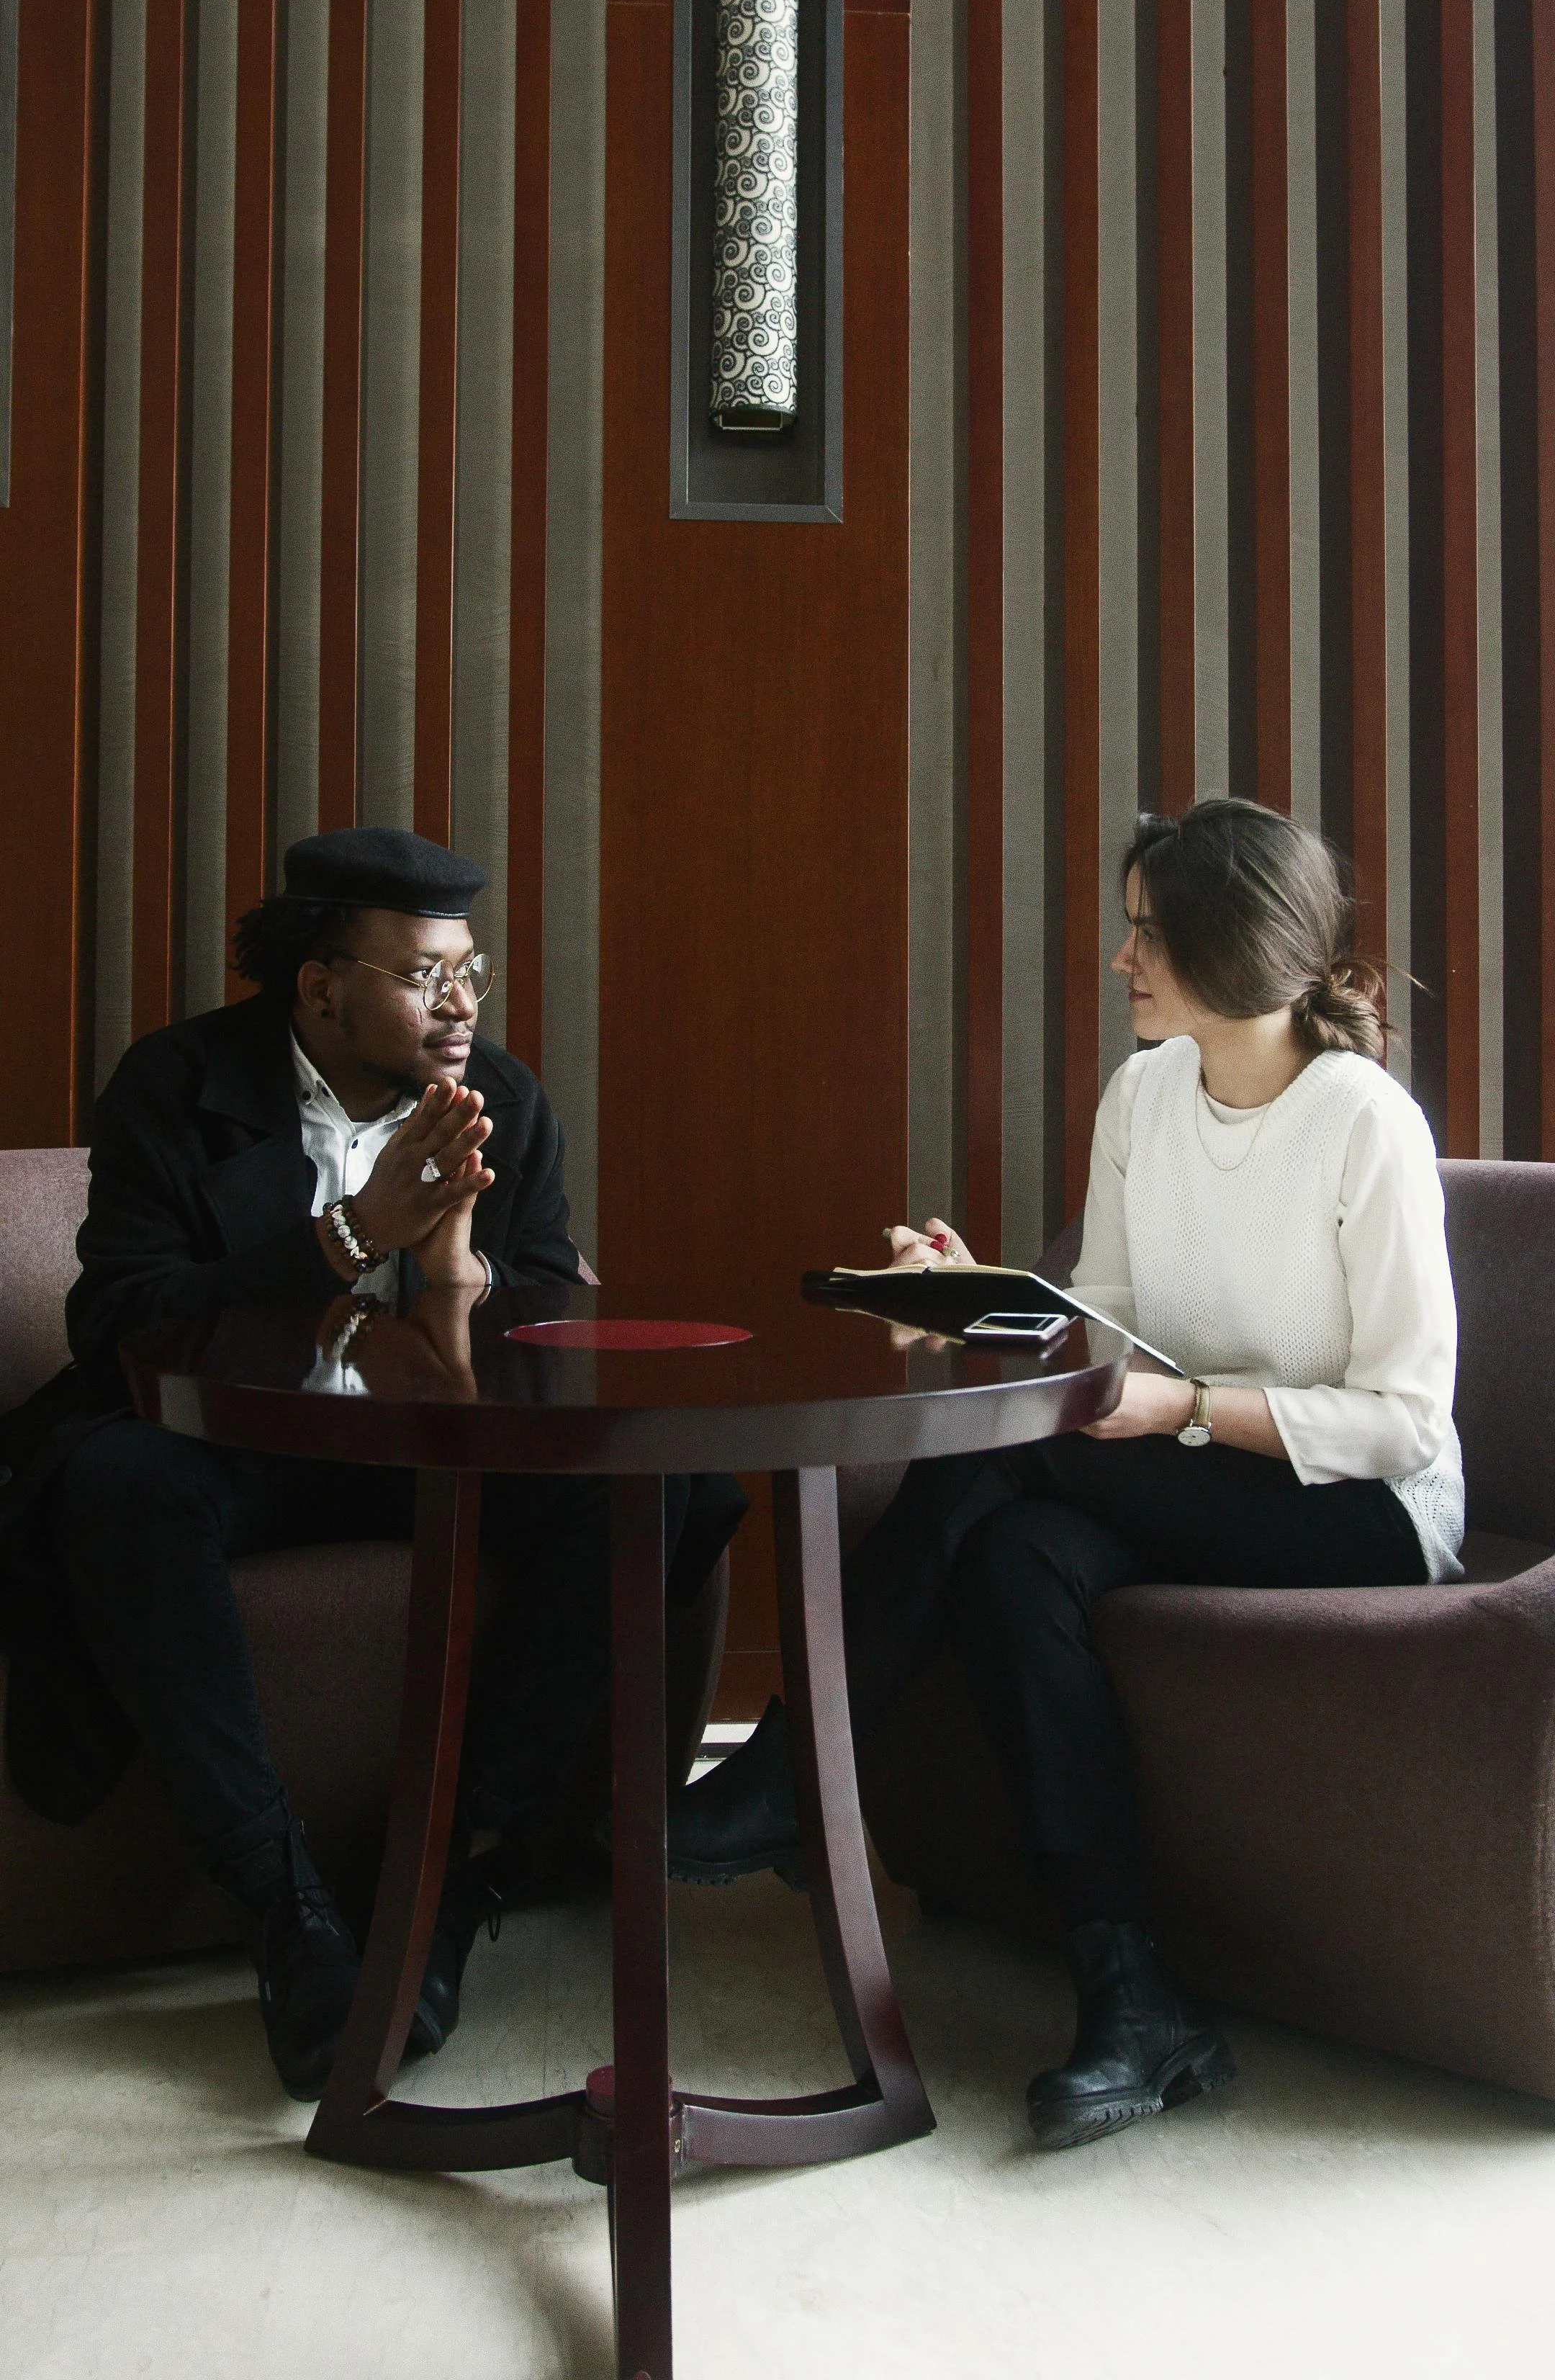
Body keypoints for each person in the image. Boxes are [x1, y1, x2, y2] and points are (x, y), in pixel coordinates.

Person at [667, 798, 1464, 2152]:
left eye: (1147, 934)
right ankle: (1133, 1992)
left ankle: (802, 1767)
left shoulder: (1362, 1125)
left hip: (1360, 1511)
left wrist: (1183, 1407)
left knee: (1003, 1477)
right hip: (1172, 1468)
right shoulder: (1143, 1094)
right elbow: (1100, 1324)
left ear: (1234, 944)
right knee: (1007, 1549)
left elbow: (1406, 1421)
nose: (1121, 962)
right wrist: (968, 1300)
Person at [1, 826, 739, 2101]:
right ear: (320, 983)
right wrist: (349, 1236)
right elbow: (117, 1323)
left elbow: (552, 1319)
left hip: (424, 1447)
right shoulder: (173, 1086)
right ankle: (282, 1904)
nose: (457, 1006)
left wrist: (458, 1269)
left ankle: (452, 1880)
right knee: (114, 1488)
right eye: (420, 976)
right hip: (233, 1446)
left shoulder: (500, 1092)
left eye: (471, 972)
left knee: (649, 1482)